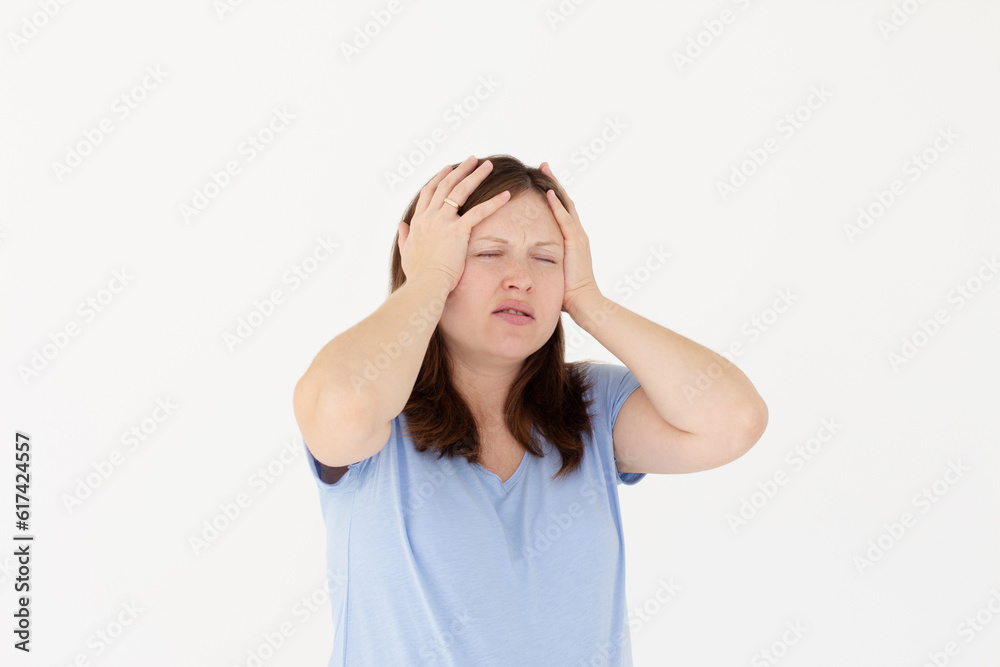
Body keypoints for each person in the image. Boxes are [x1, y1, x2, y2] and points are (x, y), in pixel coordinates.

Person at [293, 154, 768, 665]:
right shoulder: (379, 413)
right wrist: (426, 280)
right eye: (488, 253)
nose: (521, 278)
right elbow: (341, 405)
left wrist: (588, 300)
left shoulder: (593, 406)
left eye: (546, 259)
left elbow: (734, 420)